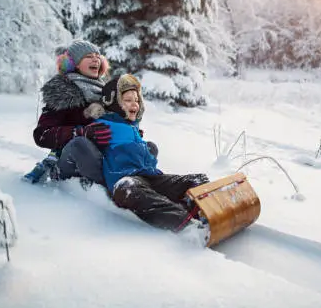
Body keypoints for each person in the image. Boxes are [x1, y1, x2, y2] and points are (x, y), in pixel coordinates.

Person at [87, 73, 211, 246]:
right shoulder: (103, 124)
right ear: (113, 102)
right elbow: (80, 136)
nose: (135, 104)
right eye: (128, 100)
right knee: (129, 189)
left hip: (151, 178)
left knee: (198, 179)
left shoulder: (133, 129)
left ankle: (207, 212)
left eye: (137, 100)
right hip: (126, 180)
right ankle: (188, 226)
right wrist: (86, 132)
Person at [27, 39, 114, 186]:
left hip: (103, 157)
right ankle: (112, 186)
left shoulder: (108, 93)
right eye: (88, 56)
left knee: (148, 148)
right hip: (70, 161)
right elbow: (42, 135)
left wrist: (129, 131)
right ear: (75, 64)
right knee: (81, 144)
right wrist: (79, 132)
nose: (95, 59)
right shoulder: (62, 91)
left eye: (97, 56)